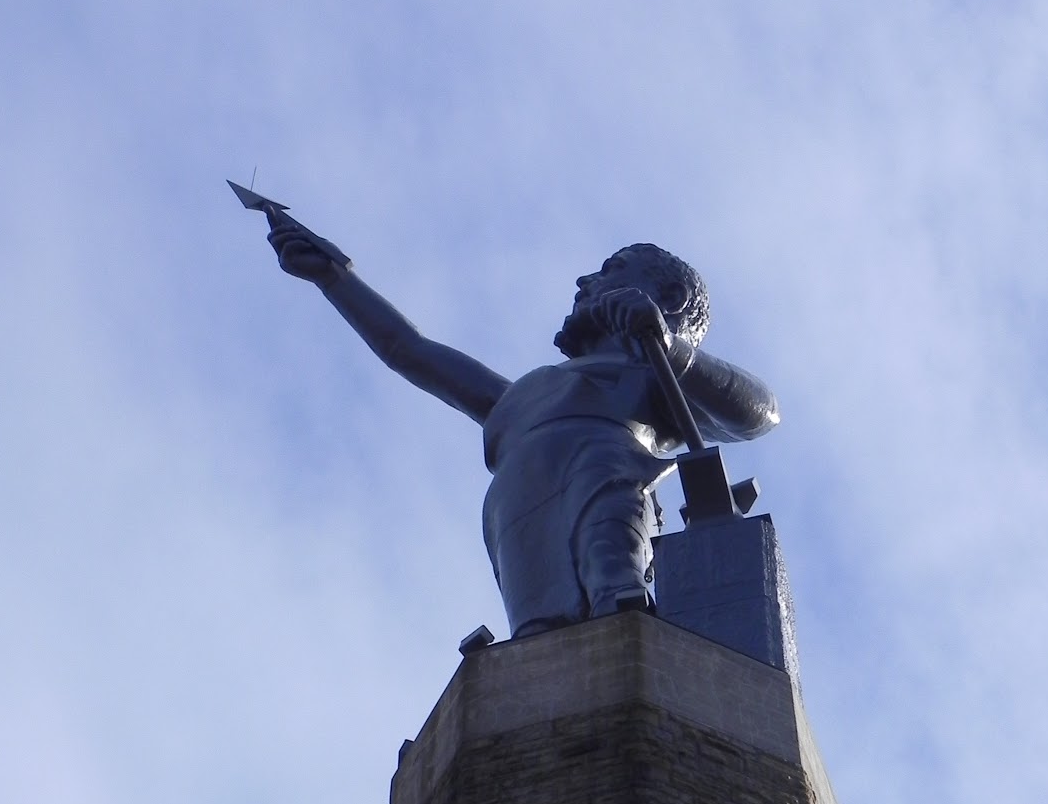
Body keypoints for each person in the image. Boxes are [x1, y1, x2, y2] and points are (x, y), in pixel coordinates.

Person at [268, 220, 778, 638]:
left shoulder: (655, 375)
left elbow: (759, 414)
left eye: (611, 271)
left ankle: (631, 641)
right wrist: (336, 278)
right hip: (517, 505)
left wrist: (668, 347)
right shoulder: (525, 394)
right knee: (537, 631)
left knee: (615, 585)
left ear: (665, 297)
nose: (586, 283)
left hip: (606, 475)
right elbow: (410, 350)